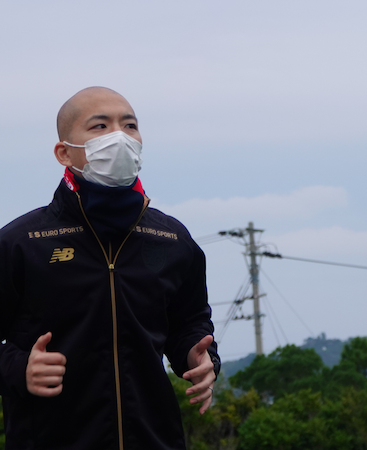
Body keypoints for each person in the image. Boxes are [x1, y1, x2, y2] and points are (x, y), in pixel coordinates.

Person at [0, 87, 220, 449]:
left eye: (129, 125)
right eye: (100, 126)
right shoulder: (23, 242)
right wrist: (17, 368)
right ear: (64, 152)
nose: (119, 136)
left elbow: (189, 322)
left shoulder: (172, 239)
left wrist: (197, 355)